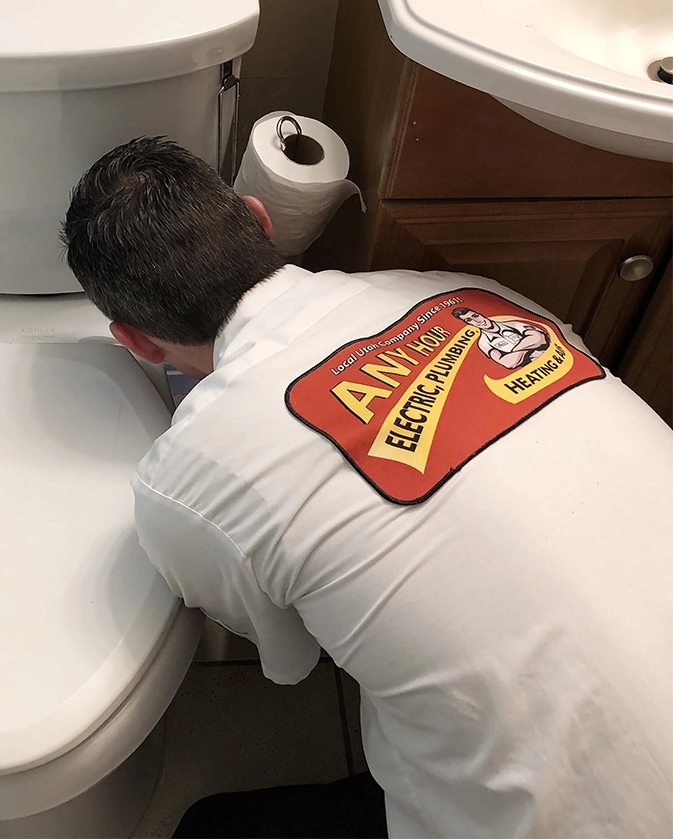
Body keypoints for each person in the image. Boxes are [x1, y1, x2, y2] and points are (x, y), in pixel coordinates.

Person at [62, 136, 673, 839]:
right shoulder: (475, 296)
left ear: (133, 340)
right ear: (262, 220)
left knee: (208, 828)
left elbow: (287, 659)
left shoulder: (185, 487)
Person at [451, 306, 550, 369]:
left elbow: (539, 338)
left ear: (481, 314)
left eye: (475, 316)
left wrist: (513, 352)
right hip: (535, 370)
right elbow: (508, 363)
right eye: (469, 320)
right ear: (468, 324)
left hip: (552, 357)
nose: (477, 321)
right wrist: (528, 344)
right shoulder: (484, 343)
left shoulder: (513, 324)